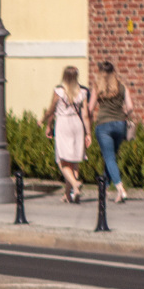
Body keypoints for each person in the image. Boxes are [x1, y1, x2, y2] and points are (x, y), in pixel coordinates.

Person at [41, 66, 91, 203]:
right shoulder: (82, 92)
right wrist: (88, 133)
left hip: (63, 124)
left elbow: (51, 110)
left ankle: (75, 184)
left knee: (62, 160)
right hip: (77, 124)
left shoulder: (59, 91)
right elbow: (85, 115)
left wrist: (46, 123)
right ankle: (69, 194)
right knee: (74, 161)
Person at [89, 61, 134, 203]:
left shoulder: (97, 88)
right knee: (111, 157)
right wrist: (124, 114)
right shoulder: (122, 87)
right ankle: (104, 189)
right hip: (120, 124)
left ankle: (120, 188)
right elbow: (130, 107)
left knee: (109, 158)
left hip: (103, 125)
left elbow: (90, 108)